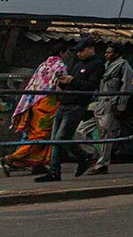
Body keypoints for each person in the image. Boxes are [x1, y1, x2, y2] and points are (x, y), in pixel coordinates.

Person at [36, 36, 103, 182]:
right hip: (65, 103)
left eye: (81, 50)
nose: (79, 53)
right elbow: (70, 83)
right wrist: (63, 82)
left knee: (61, 139)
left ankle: (84, 156)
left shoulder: (97, 65)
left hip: (77, 105)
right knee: (55, 140)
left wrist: (73, 81)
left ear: (91, 49)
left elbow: (90, 86)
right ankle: (55, 171)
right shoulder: (77, 65)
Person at [6, 51, 68, 173]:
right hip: (48, 104)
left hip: (33, 101)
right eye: (66, 53)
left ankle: (35, 164)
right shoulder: (60, 66)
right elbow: (60, 85)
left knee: (32, 134)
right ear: (62, 53)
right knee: (42, 135)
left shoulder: (43, 65)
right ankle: (12, 158)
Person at [78, 42, 133, 175]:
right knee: (82, 130)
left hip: (111, 104)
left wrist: (120, 107)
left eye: (109, 52)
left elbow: (126, 87)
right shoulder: (104, 66)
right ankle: (93, 156)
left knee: (106, 134)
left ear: (116, 54)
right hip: (99, 103)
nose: (106, 54)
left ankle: (102, 164)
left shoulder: (123, 66)